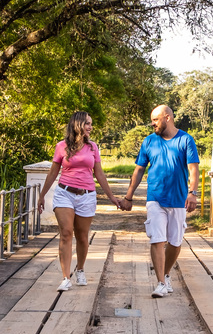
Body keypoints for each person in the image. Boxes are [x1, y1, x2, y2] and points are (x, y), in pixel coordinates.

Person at [37, 111, 128, 291]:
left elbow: (99, 174)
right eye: (87, 123)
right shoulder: (61, 146)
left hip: (87, 195)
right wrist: (42, 195)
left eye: (91, 123)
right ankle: (65, 277)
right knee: (66, 232)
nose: (90, 127)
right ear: (78, 124)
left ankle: (80, 269)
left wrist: (111, 197)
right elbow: (53, 172)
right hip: (65, 193)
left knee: (82, 236)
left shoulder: (93, 147)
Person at [122, 105, 199, 298]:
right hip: (155, 197)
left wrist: (193, 193)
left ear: (167, 118)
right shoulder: (149, 141)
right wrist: (128, 196)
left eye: (155, 119)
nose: (152, 123)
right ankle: (161, 282)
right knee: (157, 239)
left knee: (175, 242)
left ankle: (165, 273)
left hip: (178, 198)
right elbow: (139, 170)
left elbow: (193, 169)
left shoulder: (185, 140)